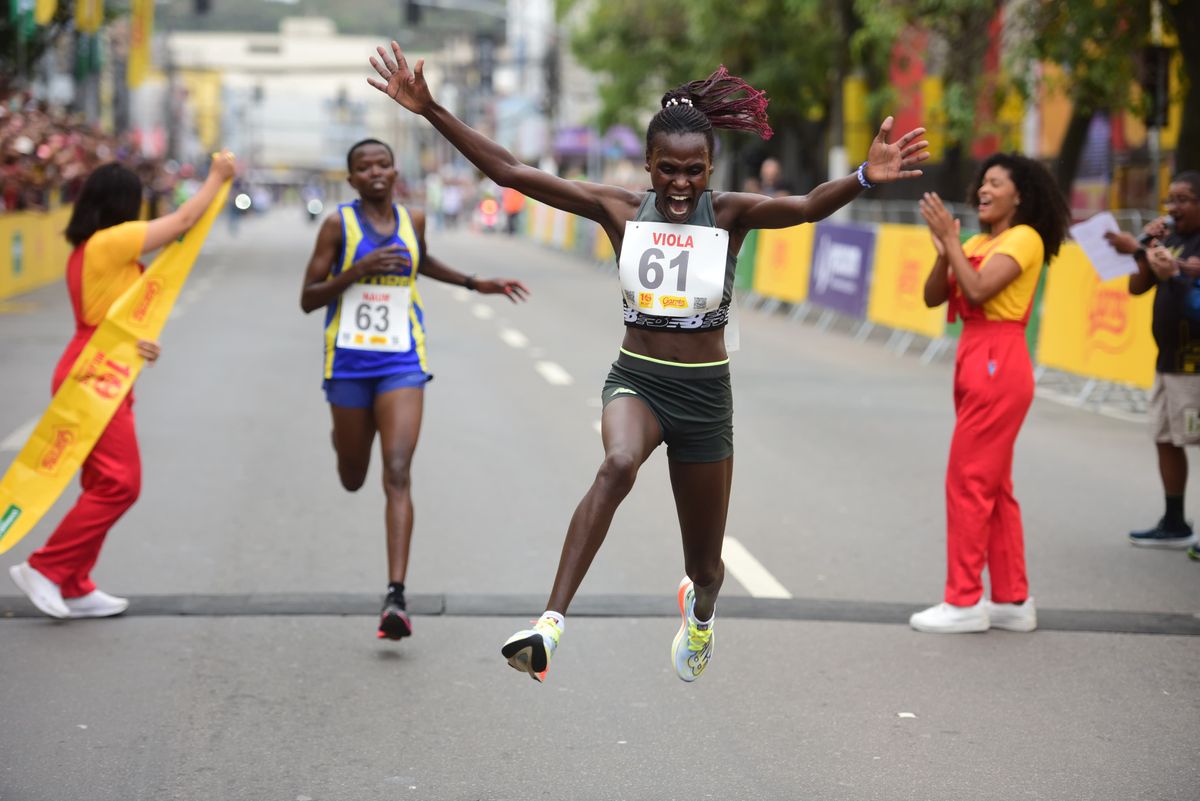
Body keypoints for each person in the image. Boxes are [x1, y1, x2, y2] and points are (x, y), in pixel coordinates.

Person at [368, 42, 929, 681]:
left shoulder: (731, 214)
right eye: (667, 170)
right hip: (638, 381)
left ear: (711, 166)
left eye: (694, 171)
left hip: (705, 398)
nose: (681, 185)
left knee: (706, 568)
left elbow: (806, 207)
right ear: (648, 164)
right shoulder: (618, 208)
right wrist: (432, 109)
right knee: (617, 464)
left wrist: (862, 178)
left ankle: (701, 612)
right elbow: (511, 172)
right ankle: (548, 625)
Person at [299, 138, 529, 640]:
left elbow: (420, 261)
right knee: (353, 477)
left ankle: (396, 598)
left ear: (394, 171)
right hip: (349, 365)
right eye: (364, 167)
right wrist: (356, 271)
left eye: (383, 164)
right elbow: (308, 298)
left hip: (402, 361)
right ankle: (345, 440)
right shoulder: (338, 226)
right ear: (352, 178)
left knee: (398, 471)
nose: (375, 172)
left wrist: (474, 283)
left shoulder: (413, 220)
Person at [7, 151, 237, 619]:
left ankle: (75, 583)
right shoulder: (110, 241)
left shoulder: (92, 250)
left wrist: (141, 344)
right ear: (124, 203)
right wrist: (217, 177)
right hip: (93, 374)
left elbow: (115, 317)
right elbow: (184, 222)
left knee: (101, 482)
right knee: (120, 485)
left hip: (105, 367)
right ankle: (45, 568)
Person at [913, 153, 1070, 634]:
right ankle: (1011, 599)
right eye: (983, 181)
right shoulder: (978, 241)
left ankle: (963, 601)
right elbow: (934, 296)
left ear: (1020, 195)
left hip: (1000, 357)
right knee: (993, 486)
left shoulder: (1025, 238)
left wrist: (952, 243)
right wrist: (946, 251)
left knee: (967, 482)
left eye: (996, 183)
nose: (984, 188)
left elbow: (979, 289)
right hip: (973, 354)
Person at [1104, 171, 1200, 558]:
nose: (1173, 208)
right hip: (1168, 362)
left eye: (1183, 200)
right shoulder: (1171, 239)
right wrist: (1143, 245)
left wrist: (1161, 262)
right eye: (1169, 200)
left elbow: (1190, 281)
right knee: (1165, 437)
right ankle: (1174, 522)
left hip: (1195, 365)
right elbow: (1137, 287)